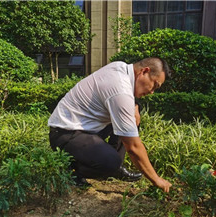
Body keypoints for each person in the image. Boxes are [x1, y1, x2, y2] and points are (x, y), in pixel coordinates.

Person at [48, 57, 172, 192]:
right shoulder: (120, 90)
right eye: (155, 85)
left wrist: (135, 104)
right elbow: (133, 147)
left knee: (131, 114)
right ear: (144, 72)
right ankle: (71, 170)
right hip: (65, 133)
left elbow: (120, 94)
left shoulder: (120, 67)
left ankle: (112, 166)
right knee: (111, 163)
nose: (152, 91)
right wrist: (156, 179)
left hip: (84, 128)